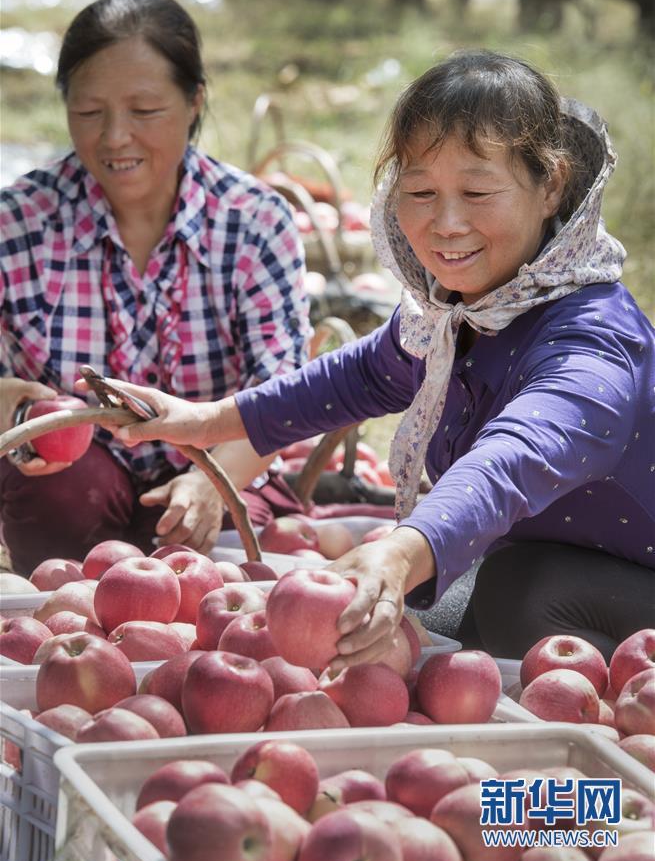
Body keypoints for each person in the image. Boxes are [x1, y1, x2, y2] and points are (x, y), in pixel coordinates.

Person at [81, 49, 653, 665]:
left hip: (614, 573)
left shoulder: (593, 342)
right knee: (404, 620)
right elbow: (350, 380)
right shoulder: (454, 317)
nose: (446, 223)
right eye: (421, 192)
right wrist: (199, 420)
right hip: (547, 561)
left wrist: (405, 549)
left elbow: (515, 456)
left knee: (520, 599)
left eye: (478, 191)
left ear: (552, 186)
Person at [0, 0, 312, 576]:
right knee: (65, 494)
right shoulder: (18, 224)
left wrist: (209, 482)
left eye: (144, 111)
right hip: (73, 484)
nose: (115, 137)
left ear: (194, 101)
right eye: (90, 112)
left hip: (227, 468)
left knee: (226, 590)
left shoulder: (253, 222)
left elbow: (285, 393)